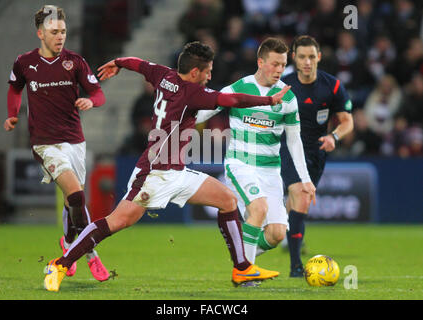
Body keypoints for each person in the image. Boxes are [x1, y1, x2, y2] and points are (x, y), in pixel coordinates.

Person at [43, 41, 292, 292]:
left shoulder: (163, 75)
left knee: (227, 200)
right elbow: (232, 99)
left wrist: (118, 63)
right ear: (195, 73)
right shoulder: (192, 93)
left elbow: (139, 64)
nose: (210, 76)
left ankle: (242, 268)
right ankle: (60, 264)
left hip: (176, 172)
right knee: (115, 222)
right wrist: (269, 100)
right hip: (154, 174)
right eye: (208, 71)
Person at [4, 6, 109, 281]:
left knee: (71, 201)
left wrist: (90, 101)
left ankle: (69, 242)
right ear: (40, 33)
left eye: (63, 31)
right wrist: (13, 114)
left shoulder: (74, 62)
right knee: (76, 195)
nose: (60, 36)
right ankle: (89, 253)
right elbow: (15, 88)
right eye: (54, 32)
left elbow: (98, 93)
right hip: (44, 143)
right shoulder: (24, 62)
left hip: (75, 140)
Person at [196, 37, 316, 268]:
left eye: (283, 64)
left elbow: (294, 141)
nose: (280, 70)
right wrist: (180, 119)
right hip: (241, 164)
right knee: (258, 209)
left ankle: (242, 254)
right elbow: (205, 112)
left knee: (277, 234)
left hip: (270, 171)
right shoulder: (239, 88)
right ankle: (245, 272)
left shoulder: (288, 97)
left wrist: (306, 179)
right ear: (260, 62)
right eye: (274, 64)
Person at [280, 35, 354, 277]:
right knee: (302, 197)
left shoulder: (332, 86)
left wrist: (334, 136)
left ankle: (284, 225)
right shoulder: (283, 85)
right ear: (294, 58)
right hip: (289, 148)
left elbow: (347, 121)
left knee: (297, 204)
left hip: (317, 152)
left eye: (312, 56)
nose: (307, 62)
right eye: (302, 57)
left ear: (319, 57)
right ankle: (295, 267)